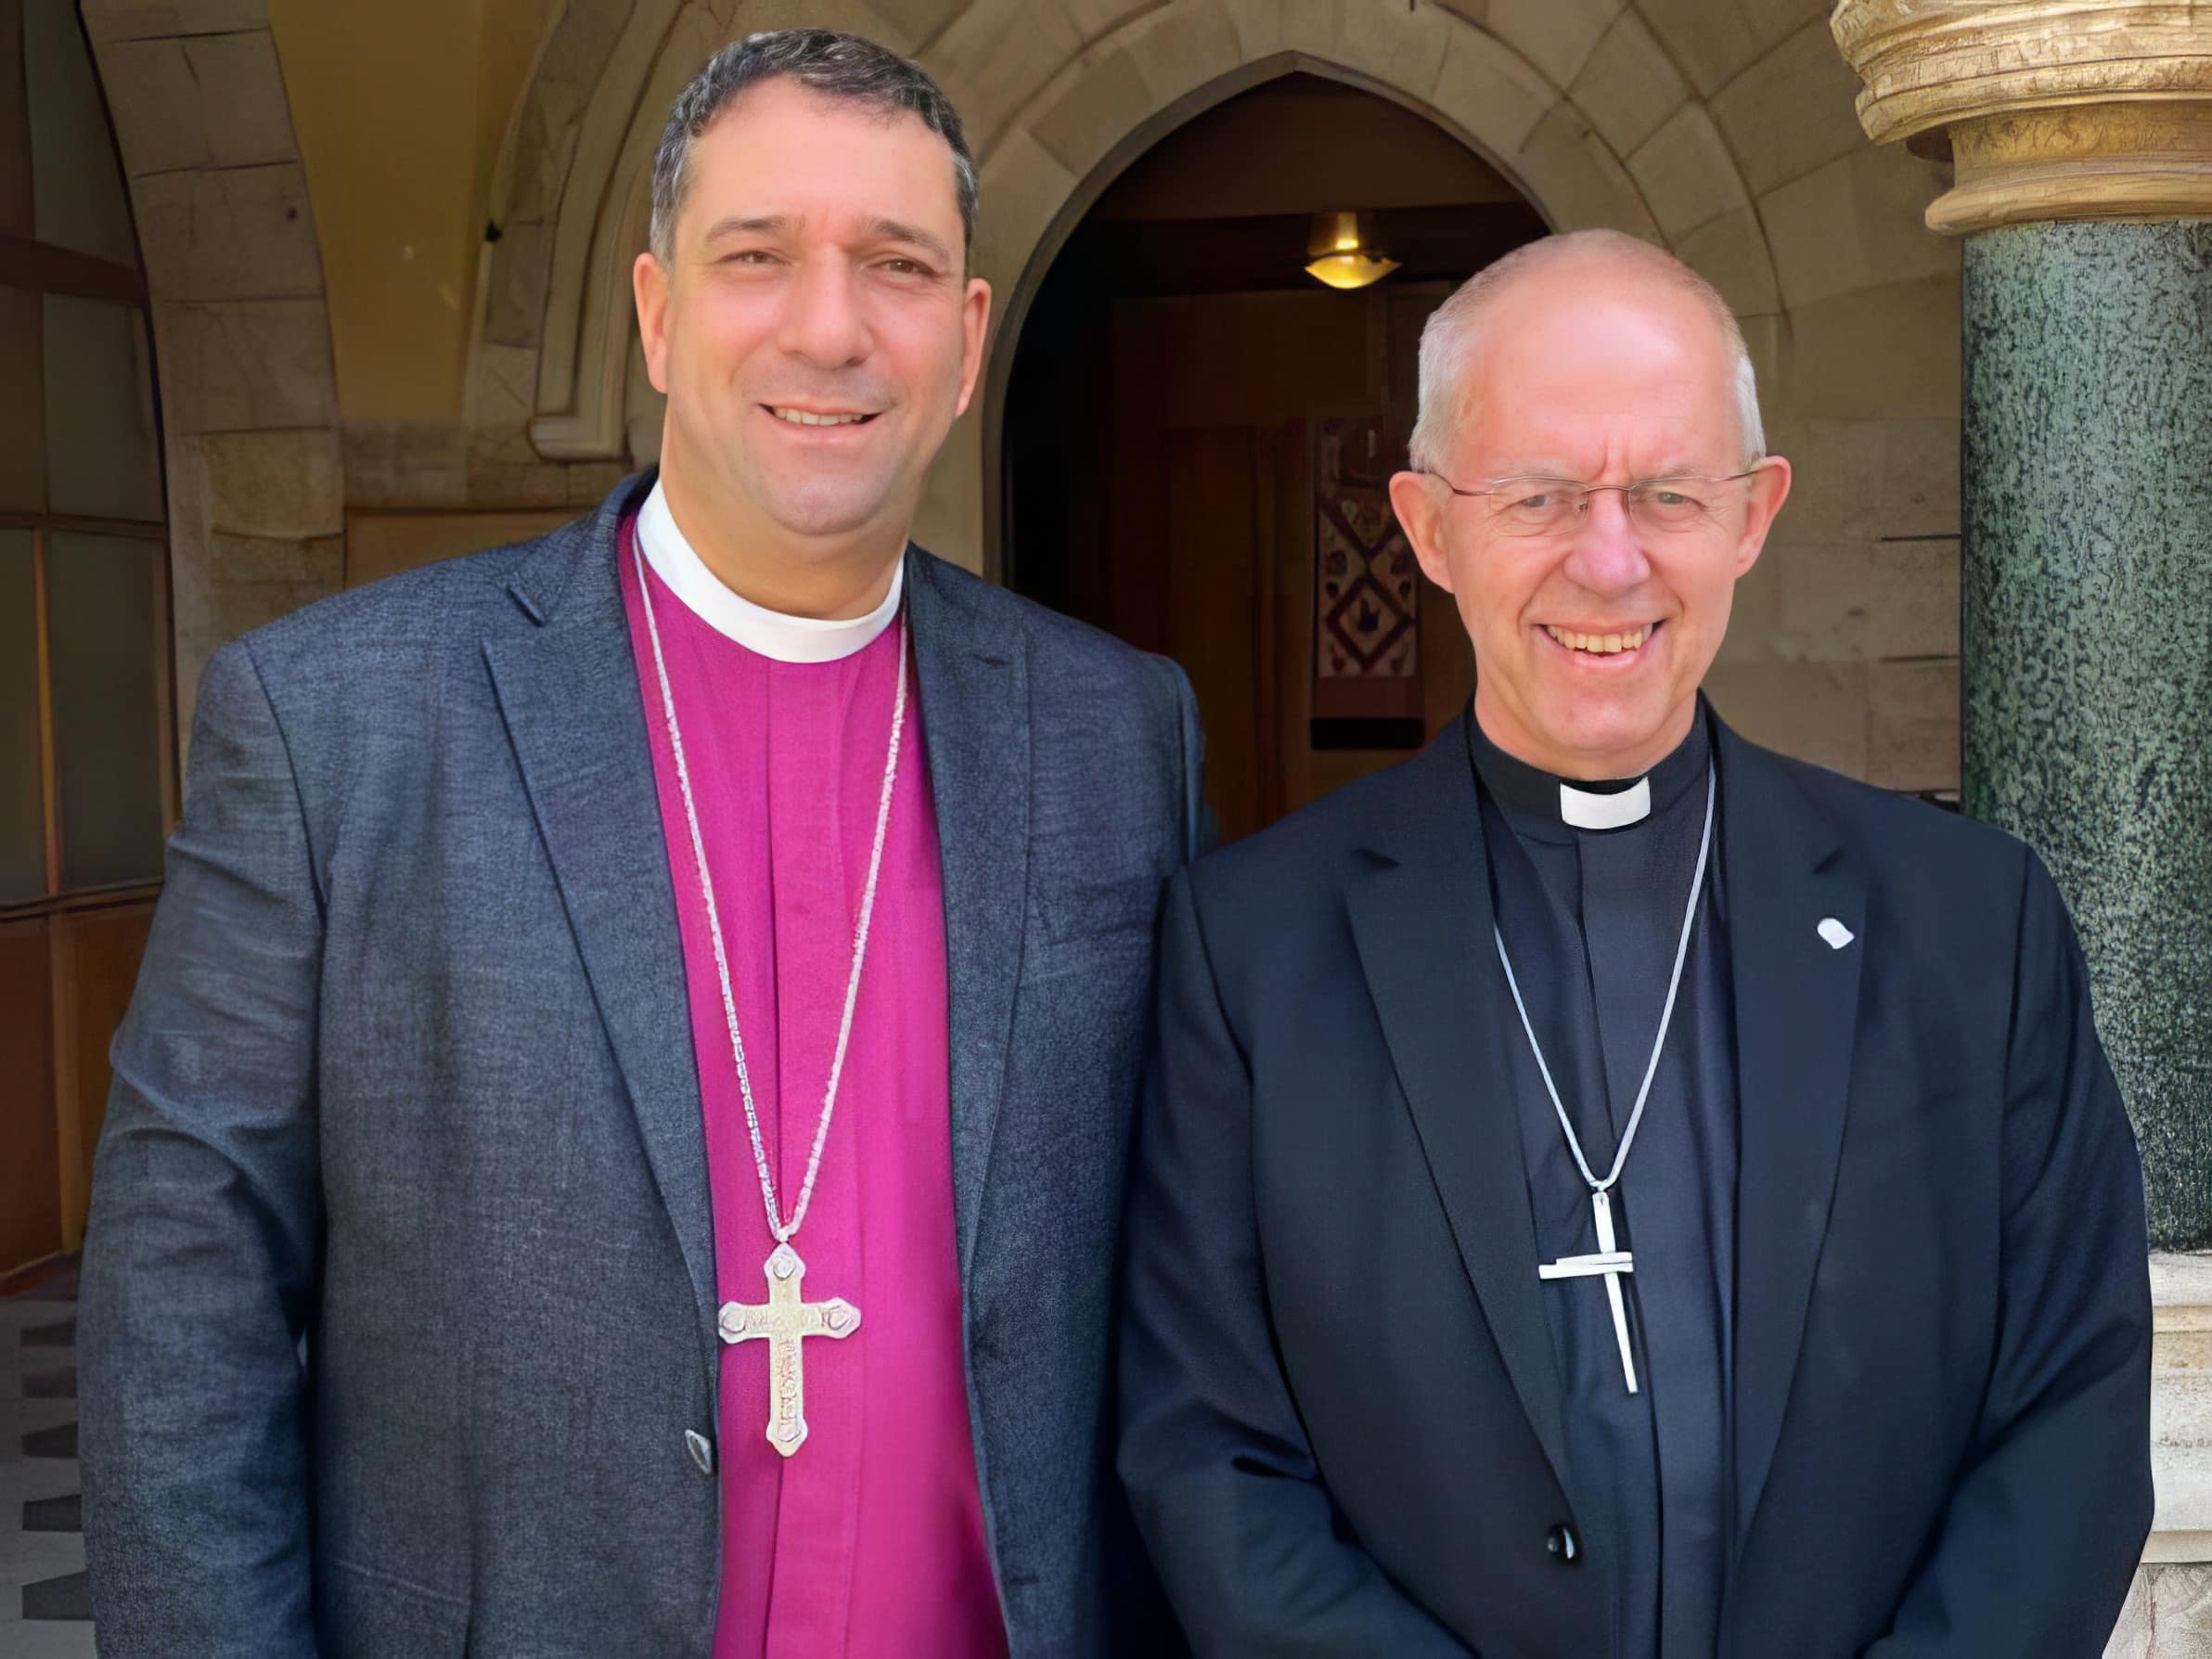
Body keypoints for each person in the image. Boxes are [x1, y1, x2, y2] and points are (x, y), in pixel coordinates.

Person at [81, 30, 1199, 1657]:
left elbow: (1189, 1278)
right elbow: (185, 1295)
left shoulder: (1119, 733)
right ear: (660, 315)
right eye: (760, 258)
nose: (831, 326)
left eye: (895, 266)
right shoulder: (341, 722)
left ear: (965, 342)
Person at [1119, 229, 2151, 1657]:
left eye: (1668, 492)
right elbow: (1210, 1456)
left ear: (1754, 514)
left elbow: (2072, 1419)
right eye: (1540, 495)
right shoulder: (1254, 948)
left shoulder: (1975, 927)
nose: (1611, 562)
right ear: (1428, 527)